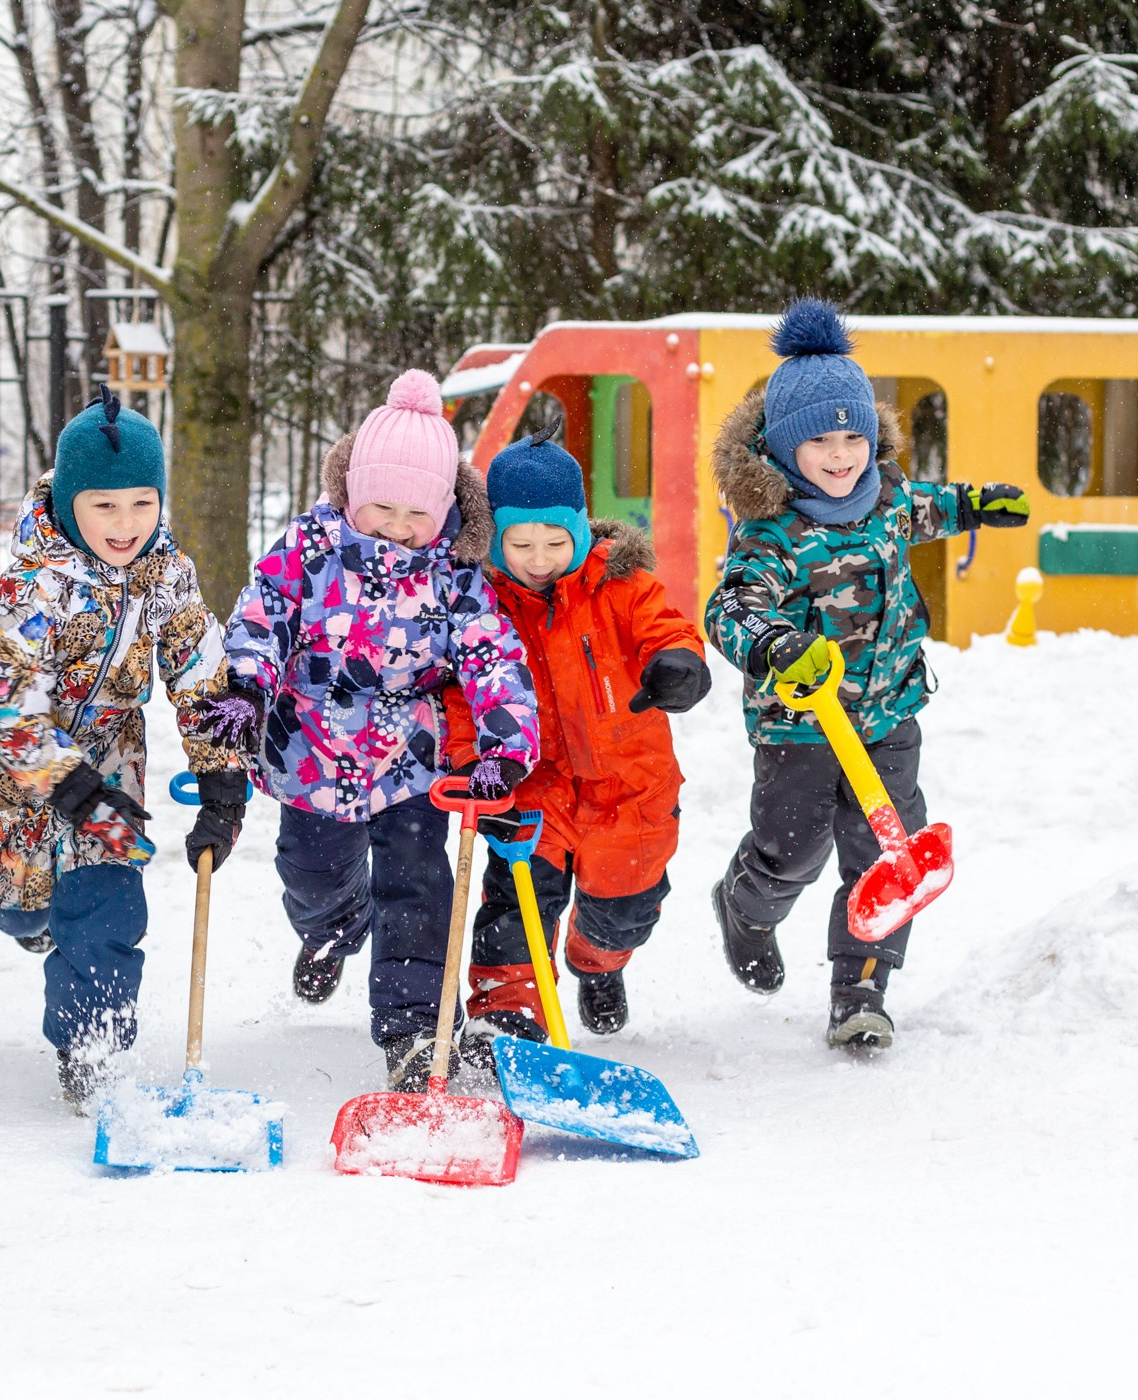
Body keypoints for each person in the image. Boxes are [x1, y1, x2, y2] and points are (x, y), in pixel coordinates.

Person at [706, 298, 1030, 1049]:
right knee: (793, 854)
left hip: (887, 714)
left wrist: (975, 505)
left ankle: (860, 991)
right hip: (802, 726)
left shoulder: (885, 501)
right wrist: (777, 645)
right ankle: (745, 907)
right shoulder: (774, 531)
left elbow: (927, 508)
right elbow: (730, 608)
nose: (842, 453)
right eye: (820, 439)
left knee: (886, 852)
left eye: (854, 434)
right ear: (787, 448)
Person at [216, 370, 539, 1087]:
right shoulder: (308, 547)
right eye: (381, 507)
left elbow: (494, 656)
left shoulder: (455, 577)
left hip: (410, 762)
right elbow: (261, 615)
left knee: (420, 891)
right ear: (353, 493)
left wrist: (506, 748)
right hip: (311, 753)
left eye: (416, 515)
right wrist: (244, 684)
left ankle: (416, 1030)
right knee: (314, 877)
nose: (397, 527)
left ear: (445, 512)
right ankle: (331, 930)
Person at [0, 388, 249, 1110]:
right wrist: (67, 784)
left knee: (109, 903)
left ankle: (93, 1044)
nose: (126, 525)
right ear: (71, 501)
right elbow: (6, 702)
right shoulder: (29, 586)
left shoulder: (167, 576)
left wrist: (223, 780)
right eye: (104, 506)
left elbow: (200, 671)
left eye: (142, 504)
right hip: (6, 768)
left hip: (111, 755)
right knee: (20, 906)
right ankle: (32, 921)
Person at [443, 427, 710, 1040]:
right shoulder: (482, 604)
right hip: (531, 788)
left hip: (629, 790)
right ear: (495, 539)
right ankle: (506, 1016)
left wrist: (679, 665)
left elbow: (666, 630)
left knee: (624, 913)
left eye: (555, 542)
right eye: (521, 543)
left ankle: (597, 963)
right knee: (515, 905)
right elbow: (459, 694)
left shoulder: (620, 585)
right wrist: (469, 761)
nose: (538, 559)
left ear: (582, 530)